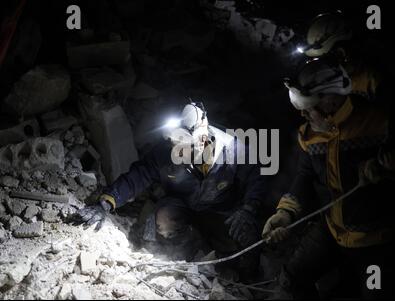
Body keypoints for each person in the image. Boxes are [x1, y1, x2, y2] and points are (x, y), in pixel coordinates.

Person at [73, 102, 267, 280]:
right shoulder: (167, 152)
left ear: (201, 140)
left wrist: (249, 208)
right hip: (184, 204)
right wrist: (105, 202)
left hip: (221, 210)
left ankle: (247, 279)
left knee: (245, 230)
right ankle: (184, 252)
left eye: (182, 146)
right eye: (174, 144)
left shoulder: (233, 150)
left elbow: (256, 177)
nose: (177, 151)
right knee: (164, 219)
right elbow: (140, 174)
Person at [262, 59, 395, 299]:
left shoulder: (380, 124)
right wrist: (285, 213)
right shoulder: (309, 136)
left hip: (375, 240)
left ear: (332, 99)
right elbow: (305, 177)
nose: (303, 113)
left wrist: (392, 167)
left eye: (309, 106)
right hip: (331, 229)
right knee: (291, 280)